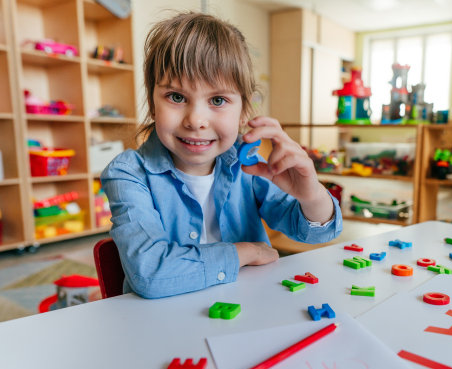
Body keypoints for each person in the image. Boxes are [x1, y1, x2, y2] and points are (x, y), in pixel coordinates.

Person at [101, 12, 342, 299]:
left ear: (244, 112)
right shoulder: (127, 173)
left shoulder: (248, 164)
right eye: (176, 97)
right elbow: (151, 274)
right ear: (152, 104)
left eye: (217, 100)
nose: (196, 120)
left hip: (247, 312)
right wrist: (247, 251)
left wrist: (312, 195)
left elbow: (317, 234)